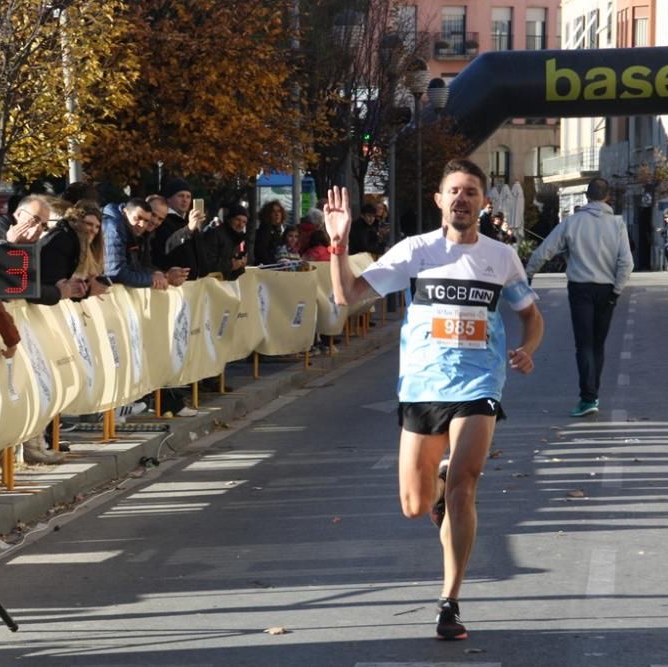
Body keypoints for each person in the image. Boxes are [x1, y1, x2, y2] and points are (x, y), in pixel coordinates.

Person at [325, 158, 543, 641]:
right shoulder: (415, 252)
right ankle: (437, 494)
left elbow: (532, 316)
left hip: (479, 386)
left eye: (471, 192)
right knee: (413, 503)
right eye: (454, 191)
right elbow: (347, 296)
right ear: (439, 200)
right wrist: (338, 245)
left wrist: (527, 349)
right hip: (422, 389)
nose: (462, 199)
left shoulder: (501, 256)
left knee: (467, 480)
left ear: (484, 203)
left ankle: (450, 600)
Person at [526, 176, 632, 417]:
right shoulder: (618, 225)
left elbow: (546, 249)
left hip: (580, 288)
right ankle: (593, 394)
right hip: (606, 290)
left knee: (583, 344)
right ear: (607, 197)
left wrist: (528, 273)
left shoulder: (572, 222)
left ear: (586, 196)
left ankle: (588, 397)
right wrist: (617, 290)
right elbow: (627, 262)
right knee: (598, 344)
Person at [103, 197, 187, 289]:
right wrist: (153, 278)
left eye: (160, 219)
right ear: (125, 212)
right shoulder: (115, 228)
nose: (154, 221)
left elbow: (139, 266)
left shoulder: (141, 233)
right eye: (154, 215)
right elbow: (116, 273)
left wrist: (162, 275)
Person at [150, 178, 207, 279]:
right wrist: (188, 229)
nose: (185, 200)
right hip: (171, 283)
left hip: (195, 284)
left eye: (188, 197)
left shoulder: (190, 220)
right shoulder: (162, 220)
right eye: (180, 196)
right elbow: (167, 246)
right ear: (169, 199)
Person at [201, 204, 248, 280]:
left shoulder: (237, 237)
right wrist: (231, 265)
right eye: (238, 220)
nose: (241, 225)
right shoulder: (214, 234)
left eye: (244, 222)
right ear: (229, 219)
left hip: (227, 284)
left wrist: (241, 265)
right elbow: (207, 264)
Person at [253, 200, 286, 265]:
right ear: (268, 214)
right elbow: (261, 251)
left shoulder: (277, 230)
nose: (277, 214)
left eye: (279, 211)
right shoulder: (265, 229)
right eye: (273, 211)